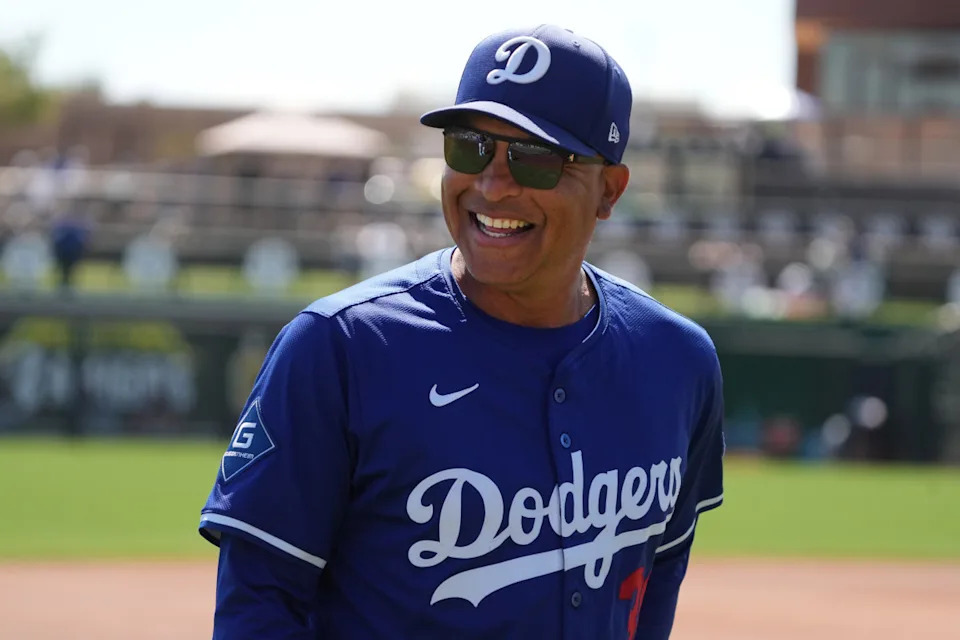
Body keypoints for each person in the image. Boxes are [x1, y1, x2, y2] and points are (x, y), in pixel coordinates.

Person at [199, 24, 725, 640]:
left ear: (609, 190)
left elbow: (655, 576)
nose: (493, 185)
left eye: (534, 158)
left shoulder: (678, 362)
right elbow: (259, 603)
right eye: (470, 148)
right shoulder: (340, 347)